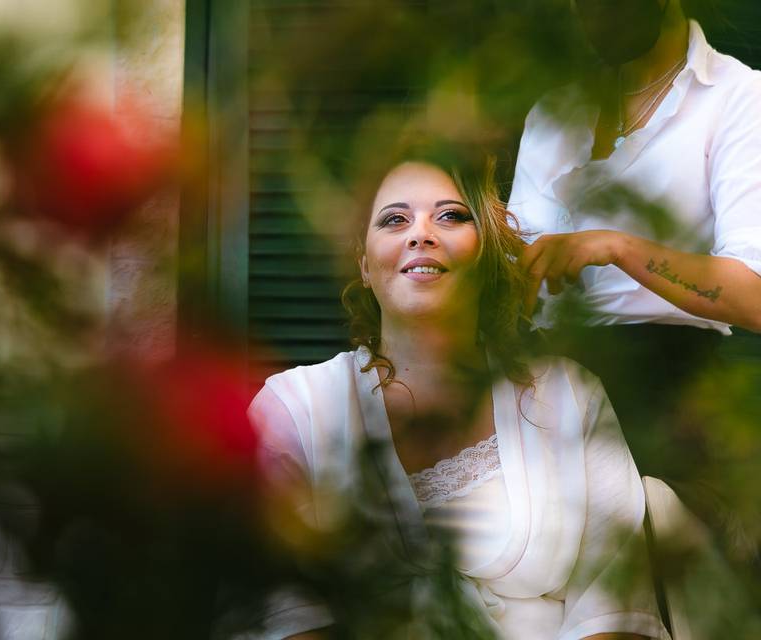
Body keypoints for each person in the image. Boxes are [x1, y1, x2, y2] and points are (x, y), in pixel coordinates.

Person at [244, 155, 669, 639]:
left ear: (486, 257)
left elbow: (618, 609)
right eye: (394, 219)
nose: (421, 234)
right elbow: (282, 613)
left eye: (450, 215)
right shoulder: (295, 408)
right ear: (364, 265)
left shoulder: (570, 394)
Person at [507, 0, 761, 444]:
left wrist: (616, 247)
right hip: (544, 399)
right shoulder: (552, 112)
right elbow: (516, 269)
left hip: (672, 401)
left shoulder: (739, 97)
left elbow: (754, 296)